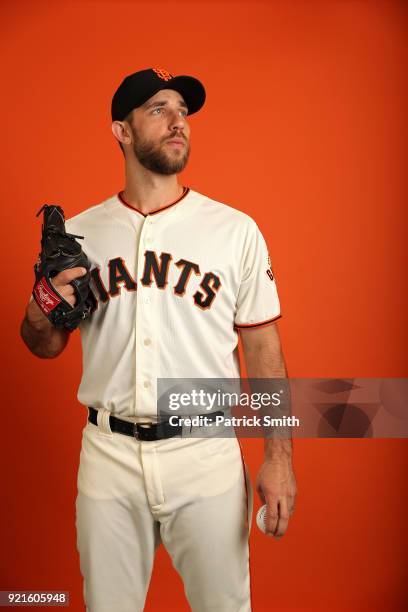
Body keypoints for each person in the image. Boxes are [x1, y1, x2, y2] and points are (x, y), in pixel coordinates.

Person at [21, 67, 297, 612]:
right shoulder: (81, 232)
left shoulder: (234, 229)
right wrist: (41, 306)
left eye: (183, 112)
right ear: (121, 132)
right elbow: (44, 344)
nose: (178, 123)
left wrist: (279, 457)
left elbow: (264, 348)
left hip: (205, 452)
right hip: (108, 456)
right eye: (158, 110)